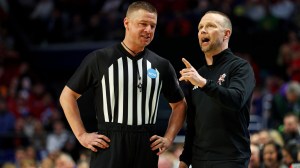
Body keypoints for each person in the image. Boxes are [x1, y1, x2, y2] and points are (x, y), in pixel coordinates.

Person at [59, 1, 187, 168]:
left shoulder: (161, 65)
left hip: (145, 144)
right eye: (143, 24)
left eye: (152, 26)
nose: (148, 30)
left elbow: (179, 105)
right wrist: (81, 135)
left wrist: (169, 138)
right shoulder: (99, 59)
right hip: (109, 143)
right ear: (126, 23)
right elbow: (67, 96)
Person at [178, 11, 256, 168]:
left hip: (231, 159)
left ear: (226, 34)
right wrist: (185, 159)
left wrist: (203, 83)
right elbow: (193, 123)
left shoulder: (240, 67)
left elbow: (236, 99)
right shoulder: (198, 74)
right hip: (199, 160)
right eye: (200, 27)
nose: (203, 30)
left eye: (211, 26)